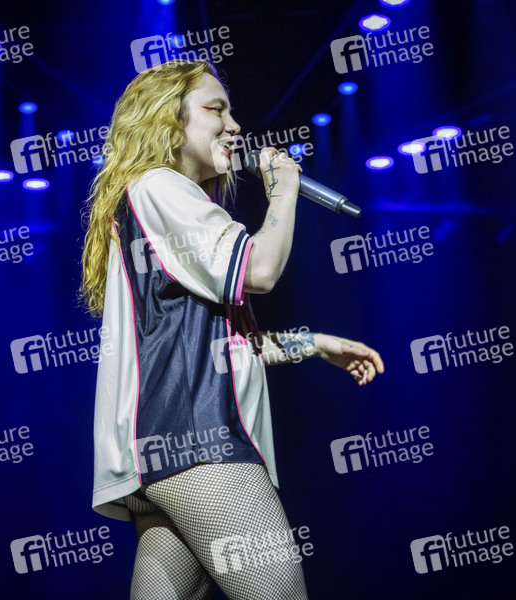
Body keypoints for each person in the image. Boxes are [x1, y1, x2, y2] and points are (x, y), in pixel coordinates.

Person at [80, 60, 384, 600]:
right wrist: (284, 192)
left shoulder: (152, 199)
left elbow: (216, 348)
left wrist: (314, 344)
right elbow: (260, 270)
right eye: (215, 109)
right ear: (166, 118)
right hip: (202, 443)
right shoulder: (160, 186)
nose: (234, 125)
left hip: (170, 450)